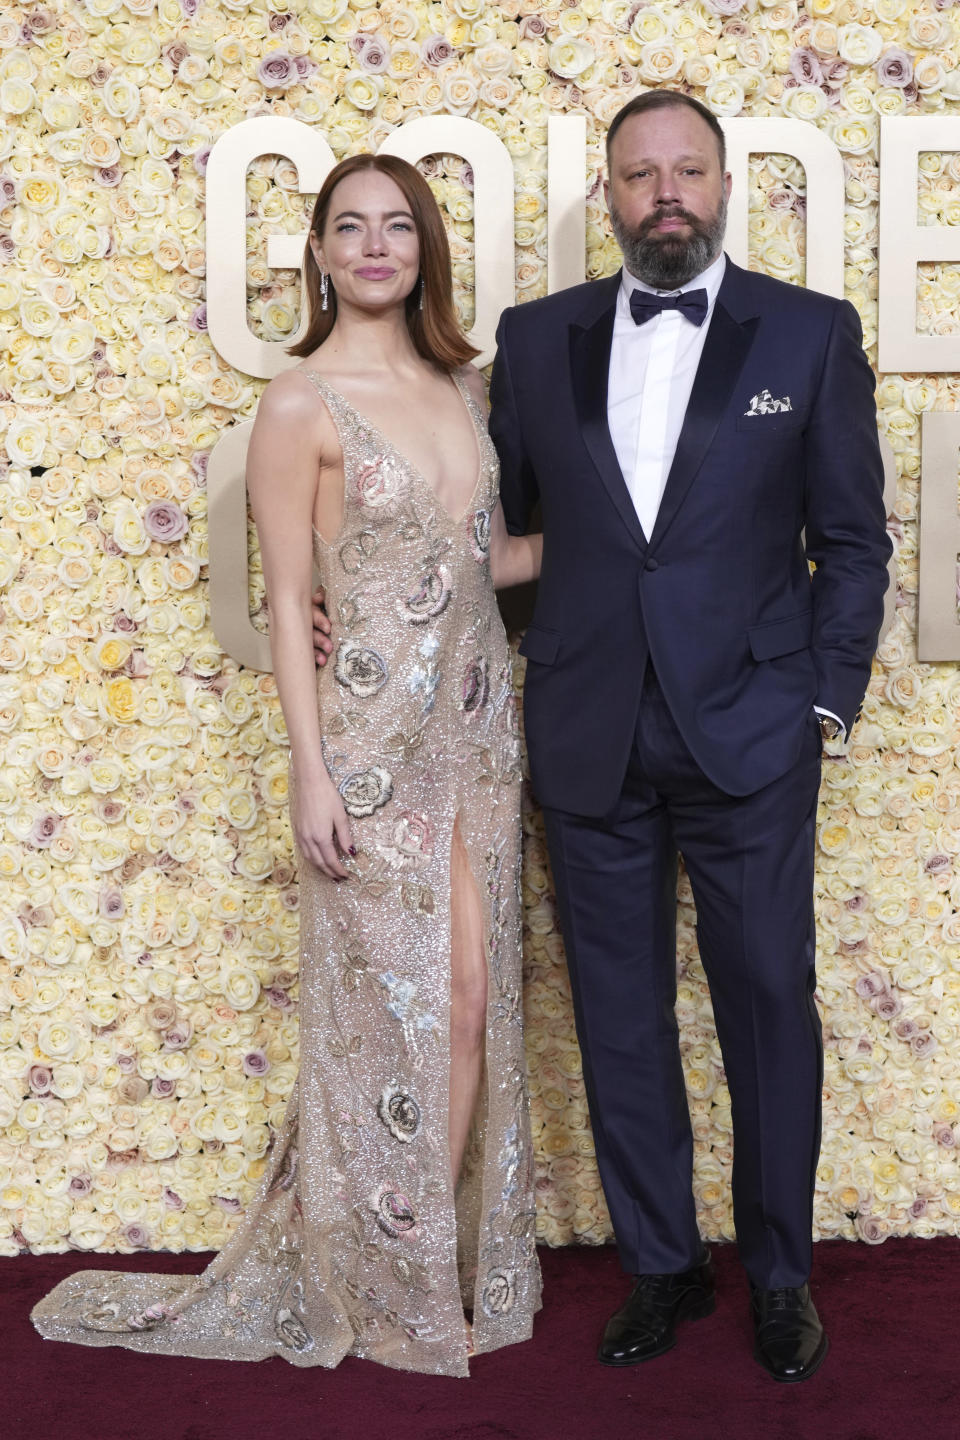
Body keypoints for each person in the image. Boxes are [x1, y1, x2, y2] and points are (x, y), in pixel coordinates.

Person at [32, 155, 542, 1377]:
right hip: (364, 762)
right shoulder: (300, 405)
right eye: (349, 228)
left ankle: (408, 1264)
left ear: (426, 249)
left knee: (469, 1007)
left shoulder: (466, 388)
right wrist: (310, 773)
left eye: (397, 227)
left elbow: (483, 568)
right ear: (317, 253)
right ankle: (382, 1291)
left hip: (475, 746)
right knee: (393, 1024)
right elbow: (289, 600)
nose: (375, 246)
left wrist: (640, 542)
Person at [487, 91, 890, 1383]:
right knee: (618, 1016)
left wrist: (819, 699)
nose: (666, 193)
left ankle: (781, 1277)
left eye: (689, 171)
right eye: (639, 174)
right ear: (608, 196)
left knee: (769, 1002)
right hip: (591, 731)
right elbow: (495, 530)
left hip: (750, 735)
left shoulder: (811, 336)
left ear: (725, 186)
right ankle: (662, 1267)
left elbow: (857, 541)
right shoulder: (534, 339)